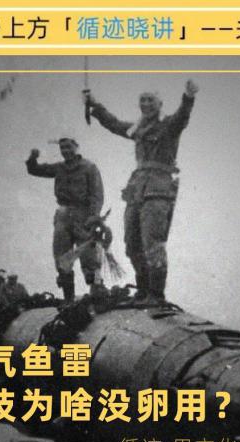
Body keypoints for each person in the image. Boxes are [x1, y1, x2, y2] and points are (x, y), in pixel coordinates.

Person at [84, 80, 198, 305]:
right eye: (142, 100)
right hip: (136, 190)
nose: (146, 104)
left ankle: (156, 295)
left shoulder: (168, 125)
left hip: (158, 190)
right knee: (132, 244)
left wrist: (188, 96)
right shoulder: (138, 128)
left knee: (152, 243)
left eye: (150, 100)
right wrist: (95, 106)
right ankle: (143, 291)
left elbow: (182, 117)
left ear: (160, 104)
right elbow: (114, 124)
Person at [25, 137, 104, 302]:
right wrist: (32, 158)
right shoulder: (59, 168)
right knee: (62, 256)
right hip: (63, 214)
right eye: (62, 148)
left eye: (68, 147)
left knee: (89, 255)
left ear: (76, 147)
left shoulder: (89, 167)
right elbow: (35, 170)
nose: (65, 151)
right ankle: (68, 299)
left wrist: (94, 216)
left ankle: (97, 292)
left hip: (83, 214)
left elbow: (97, 194)